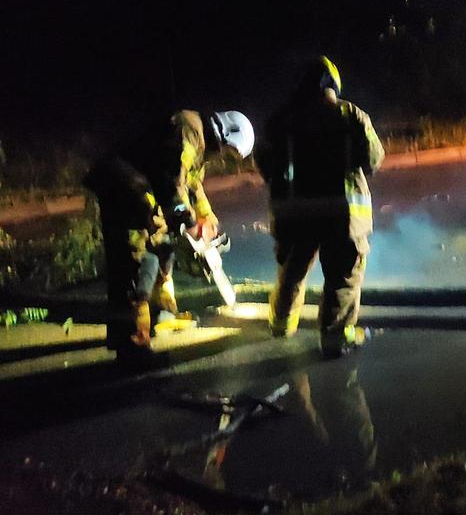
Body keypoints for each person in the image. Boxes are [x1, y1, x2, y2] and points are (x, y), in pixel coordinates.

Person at [84, 110, 255, 361]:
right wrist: (188, 222)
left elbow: (192, 185)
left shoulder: (200, 145)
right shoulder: (188, 130)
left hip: (141, 193)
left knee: (163, 251)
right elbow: (171, 181)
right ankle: (132, 346)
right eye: (226, 151)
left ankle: (160, 316)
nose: (221, 157)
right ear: (224, 133)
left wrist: (207, 219)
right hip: (125, 190)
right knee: (137, 263)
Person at [257, 57, 385, 359]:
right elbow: (373, 159)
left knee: (292, 272)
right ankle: (335, 339)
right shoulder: (350, 114)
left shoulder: (279, 121)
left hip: (294, 215)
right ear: (332, 85)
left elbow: (265, 164)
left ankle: (281, 325)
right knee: (342, 278)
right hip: (341, 214)